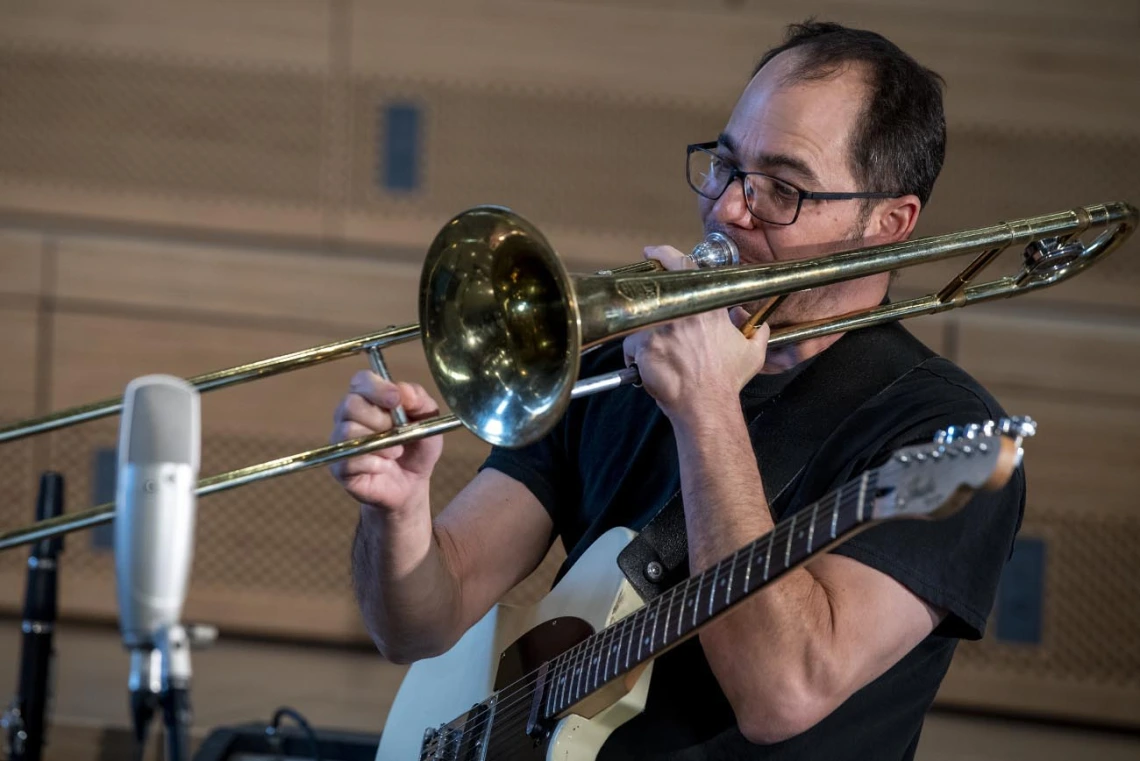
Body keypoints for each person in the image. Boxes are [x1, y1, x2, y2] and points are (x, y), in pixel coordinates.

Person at [330, 20, 1025, 761]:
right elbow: (418, 624)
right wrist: (397, 514)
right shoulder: (623, 364)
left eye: (782, 189)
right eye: (726, 166)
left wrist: (706, 409)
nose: (728, 208)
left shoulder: (939, 431)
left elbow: (780, 691)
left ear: (889, 224)